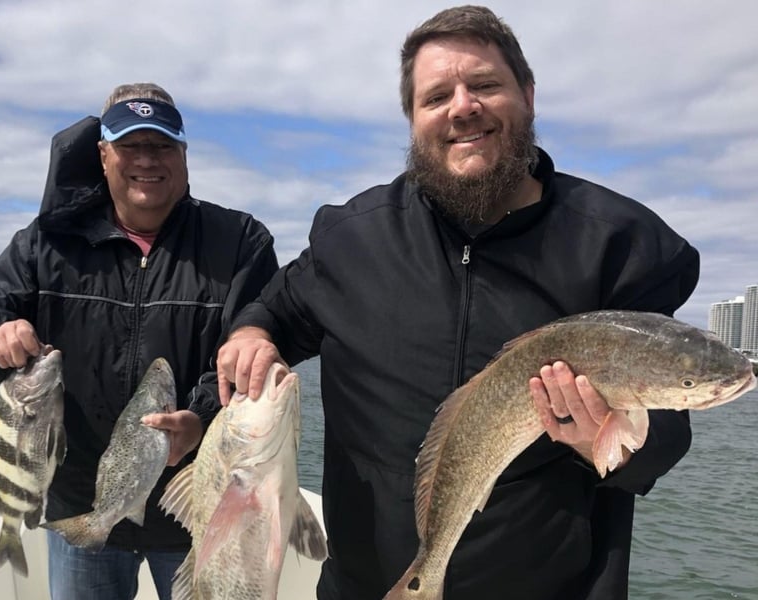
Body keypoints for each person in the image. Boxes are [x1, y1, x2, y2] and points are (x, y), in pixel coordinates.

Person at [215, 6, 699, 600]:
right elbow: (272, 314)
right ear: (413, 119)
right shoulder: (349, 238)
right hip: (366, 586)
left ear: (527, 94)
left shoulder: (619, 245)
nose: (462, 106)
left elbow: (671, 429)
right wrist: (250, 335)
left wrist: (613, 442)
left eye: (486, 85)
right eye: (436, 95)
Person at [0, 83, 279, 600]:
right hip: (81, 510)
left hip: (196, 505)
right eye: (131, 146)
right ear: (103, 155)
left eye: (162, 146)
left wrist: (200, 418)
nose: (146, 161)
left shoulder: (241, 242)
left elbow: (260, 343)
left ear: (184, 156)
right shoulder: (45, 242)